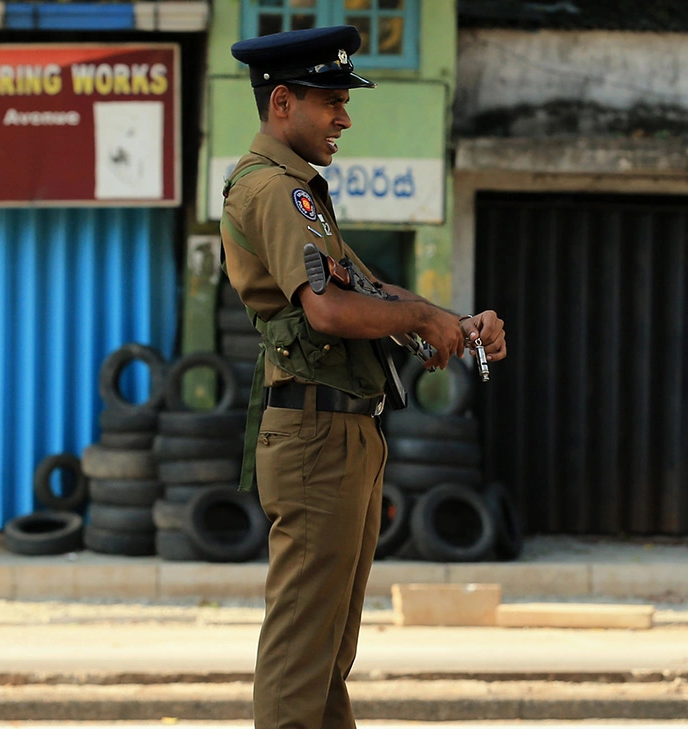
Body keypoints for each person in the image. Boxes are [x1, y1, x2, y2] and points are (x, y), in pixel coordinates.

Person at [219, 25, 506, 729]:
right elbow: (327, 309)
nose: (344, 116)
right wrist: (426, 318)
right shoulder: (275, 191)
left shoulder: (302, 196)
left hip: (343, 430)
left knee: (327, 654)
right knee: (301, 654)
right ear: (282, 102)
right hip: (316, 435)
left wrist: (451, 323)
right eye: (330, 100)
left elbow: (370, 292)